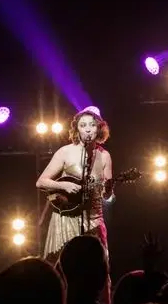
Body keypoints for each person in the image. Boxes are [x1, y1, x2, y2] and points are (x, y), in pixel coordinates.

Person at [37, 107, 113, 263]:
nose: (87, 129)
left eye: (92, 125)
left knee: (94, 266)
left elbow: (107, 196)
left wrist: (109, 190)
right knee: (64, 264)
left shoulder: (105, 156)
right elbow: (41, 182)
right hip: (67, 217)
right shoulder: (65, 152)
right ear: (77, 129)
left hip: (94, 218)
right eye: (83, 125)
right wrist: (64, 186)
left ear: (99, 128)